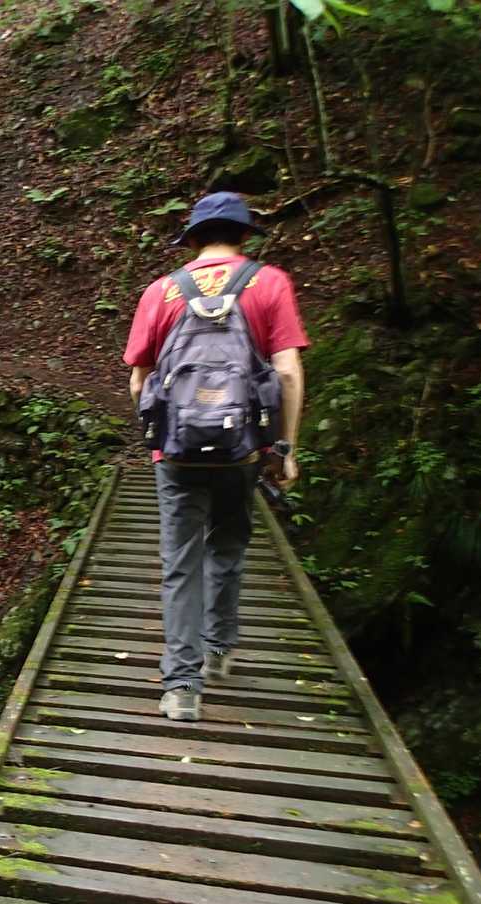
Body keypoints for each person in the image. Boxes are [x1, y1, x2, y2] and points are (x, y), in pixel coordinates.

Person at [124, 192, 307, 722]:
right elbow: (287, 372)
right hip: (241, 449)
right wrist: (284, 448)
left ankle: (182, 687)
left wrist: (161, 434)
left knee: (180, 562)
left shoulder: (161, 290)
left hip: (177, 453)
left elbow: (138, 380)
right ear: (244, 235)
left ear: (194, 240)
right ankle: (220, 646)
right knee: (228, 542)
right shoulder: (269, 282)